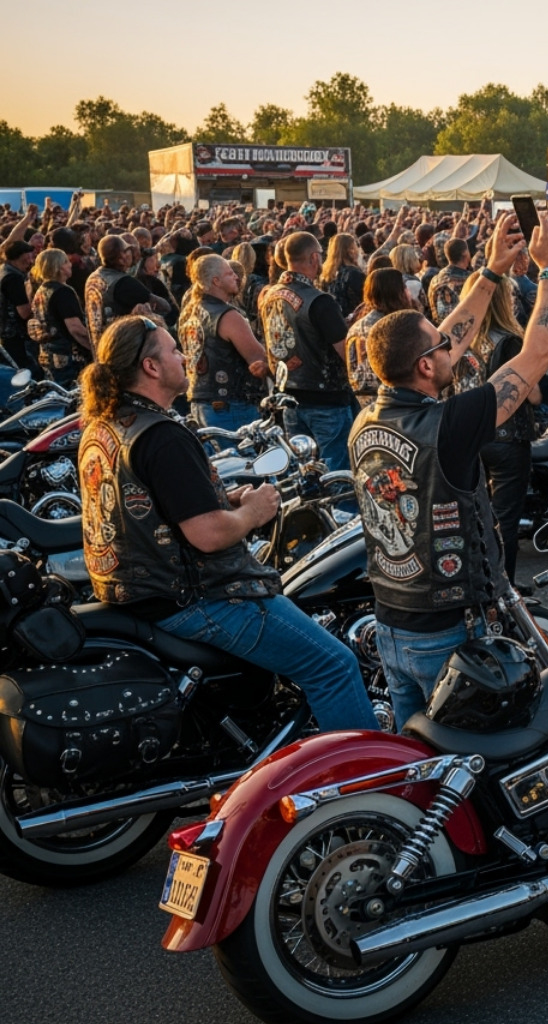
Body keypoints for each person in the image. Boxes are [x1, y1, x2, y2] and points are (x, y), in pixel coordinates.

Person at [77, 316, 376, 732]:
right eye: (173, 351)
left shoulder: (105, 427)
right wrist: (252, 513)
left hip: (138, 593)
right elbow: (210, 535)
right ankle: (370, 782)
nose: (183, 357)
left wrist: (224, 501)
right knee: (334, 666)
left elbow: (149, 509)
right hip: (197, 599)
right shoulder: (162, 436)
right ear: (151, 367)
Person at [350, 214, 548, 727]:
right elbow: (540, 353)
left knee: (414, 765)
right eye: (440, 347)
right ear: (424, 365)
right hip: (445, 631)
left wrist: (490, 272)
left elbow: (439, 340)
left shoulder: (366, 417)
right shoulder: (449, 424)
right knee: (468, 767)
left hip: (393, 623)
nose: (452, 347)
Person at [259, 232, 355, 472]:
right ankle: (342, 511)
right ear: (314, 258)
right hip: (325, 398)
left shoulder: (269, 295)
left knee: (305, 473)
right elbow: (346, 353)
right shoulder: (320, 300)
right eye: (320, 256)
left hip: (288, 395)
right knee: (337, 470)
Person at [471, 275, 539, 589]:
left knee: (477, 515)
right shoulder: (509, 340)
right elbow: (533, 393)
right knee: (505, 519)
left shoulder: (463, 338)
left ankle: (484, 579)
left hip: (471, 434)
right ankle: (505, 587)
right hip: (507, 436)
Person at [178, 254, 269, 430]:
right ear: (216, 281)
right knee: (246, 457)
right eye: (229, 274)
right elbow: (258, 359)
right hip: (232, 407)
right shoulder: (228, 316)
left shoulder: (189, 311)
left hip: (200, 403)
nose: (236, 276)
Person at [346, 268, 417, 412]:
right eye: (404, 287)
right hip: (392, 406)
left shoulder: (356, 326)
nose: (409, 293)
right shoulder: (391, 326)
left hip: (363, 407)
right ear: (395, 292)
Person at [26, 248, 91, 385]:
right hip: (68, 359)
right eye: (66, 262)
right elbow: (76, 329)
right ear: (58, 267)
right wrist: (96, 349)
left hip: (47, 355)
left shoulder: (41, 290)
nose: (70, 264)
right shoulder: (63, 292)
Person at [0, 240, 36, 372]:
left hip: (5, 334)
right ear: (21, 256)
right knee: (27, 372)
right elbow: (24, 312)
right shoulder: (13, 278)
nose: (31, 260)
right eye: (28, 256)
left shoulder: (3, 270)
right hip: (15, 336)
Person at [319, 232, 365, 318]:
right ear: (350, 250)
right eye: (355, 246)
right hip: (354, 320)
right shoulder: (354, 274)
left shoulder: (326, 274)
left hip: (336, 320)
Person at [427, 238, 473, 325]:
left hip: (440, 331)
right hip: (464, 331)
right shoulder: (470, 279)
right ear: (465, 253)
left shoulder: (435, 279)